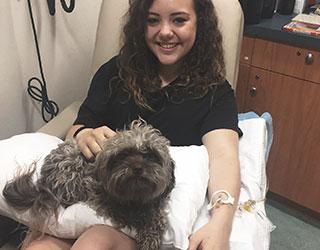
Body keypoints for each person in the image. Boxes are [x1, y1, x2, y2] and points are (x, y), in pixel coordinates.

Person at [25, 0, 241, 249]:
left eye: (179, 20)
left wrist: (221, 222)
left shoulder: (215, 92)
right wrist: (84, 134)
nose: (165, 32)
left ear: (200, 23)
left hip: (139, 217)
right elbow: (79, 127)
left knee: (94, 242)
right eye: (153, 20)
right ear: (141, 24)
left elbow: (224, 156)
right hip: (92, 198)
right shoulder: (114, 72)